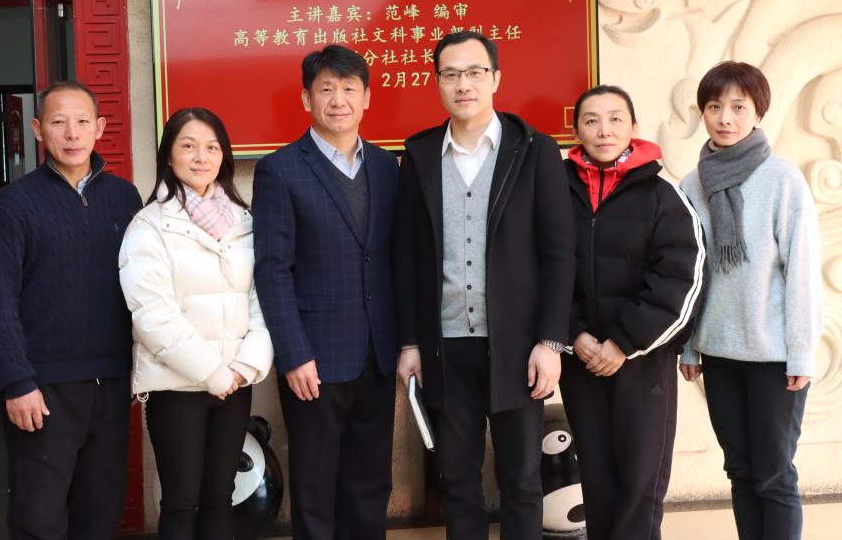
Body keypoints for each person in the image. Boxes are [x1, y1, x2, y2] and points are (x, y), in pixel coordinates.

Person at [393, 30, 575, 539]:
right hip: (444, 346)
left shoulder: (534, 150)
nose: (463, 84)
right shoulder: (420, 155)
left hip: (517, 347)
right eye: (451, 74)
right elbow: (405, 257)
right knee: (456, 478)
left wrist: (550, 341)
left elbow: (559, 253)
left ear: (496, 78)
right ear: (437, 82)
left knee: (521, 479)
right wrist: (409, 342)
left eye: (474, 72)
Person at [0, 81, 143, 539]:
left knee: (100, 511)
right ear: (37, 129)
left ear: (99, 128)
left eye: (82, 121)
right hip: (42, 387)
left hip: (112, 382)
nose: (72, 133)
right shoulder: (12, 205)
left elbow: (143, 289)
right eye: (58, 122)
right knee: (39, 516)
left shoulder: (125, 198)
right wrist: (17, 382)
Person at [252, 44, 398, 540]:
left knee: (371, 482)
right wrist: (294, 354)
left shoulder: (387, 167)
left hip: (377, 353)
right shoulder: (280, 169)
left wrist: (405, 343)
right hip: (313, 359)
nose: (339, 100)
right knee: (315, 487)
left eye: (349, 89)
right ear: (306, 99)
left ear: (367, 97)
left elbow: (394, 260)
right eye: (327, 89)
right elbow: (273, 270)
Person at [679, 61, 823, 540]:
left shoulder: (783, 179)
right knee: (739, 470)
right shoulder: (692, 183)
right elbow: (689, 273)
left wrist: (801, 352)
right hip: (719, 353)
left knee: (774, 473)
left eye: (739, 107)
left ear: (758, 113)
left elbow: (802, 272)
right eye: (714, 106)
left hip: (774, 357)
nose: (725, 118)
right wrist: (689, 345)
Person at [118, 108, 273, 539]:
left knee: (221, 497)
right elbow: (152, 314)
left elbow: (261, 298)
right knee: (182, 502)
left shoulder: (244, 221)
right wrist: (213, 373)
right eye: (188, 146)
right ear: (169, 155)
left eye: (212, 147)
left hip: (234, 385)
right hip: (177, 388)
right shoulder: (149, 225)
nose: (201, 157)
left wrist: (244, 367)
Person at [560, 85, 705, 540]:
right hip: (580, 358)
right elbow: (542, 270)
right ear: (577, 130)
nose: (604, 130)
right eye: (591, 120)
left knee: (640, 481)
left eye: (615, 119)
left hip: (642, 362)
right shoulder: (556, 192)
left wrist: (623, 343)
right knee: (596, 477)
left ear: (633, 127)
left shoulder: (663, 195)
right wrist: (574, 334)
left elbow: (681, 279)